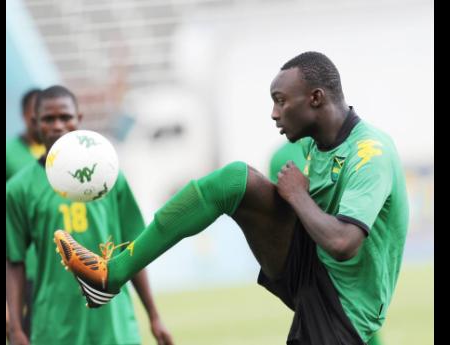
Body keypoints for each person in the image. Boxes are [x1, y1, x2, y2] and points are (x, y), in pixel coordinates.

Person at [54, 52, 409, 344]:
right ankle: (110, 274)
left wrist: (298, 196)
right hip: (310, 265)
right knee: (235, 179)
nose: (274, 113)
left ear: (316, 98)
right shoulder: (313, 144)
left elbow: (344, 243)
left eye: (281, 102)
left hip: (343, 304)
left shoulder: (369, 153)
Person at [6, 85, 174, 345]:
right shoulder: (19, 188)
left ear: (79, 120)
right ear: (35, 125)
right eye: (48, 119)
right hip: (55, 327)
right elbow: (14, 261)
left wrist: (154, 315)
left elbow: (132, 249)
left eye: (65, 117)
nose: (58, 125)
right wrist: (16, 328)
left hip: (115, 325)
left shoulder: (109, 175)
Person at [268, 141, 386, 345]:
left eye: (281, 105)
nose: (275, 115)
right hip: (325, 263)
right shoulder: (285, 156)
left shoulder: (352, 146)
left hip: (336, 255)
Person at [6, 88, 44, 339]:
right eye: (37, 114)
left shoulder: (62, 154)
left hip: (56, 264)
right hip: (22, 265)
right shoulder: (9, 153)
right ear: (24, 115)